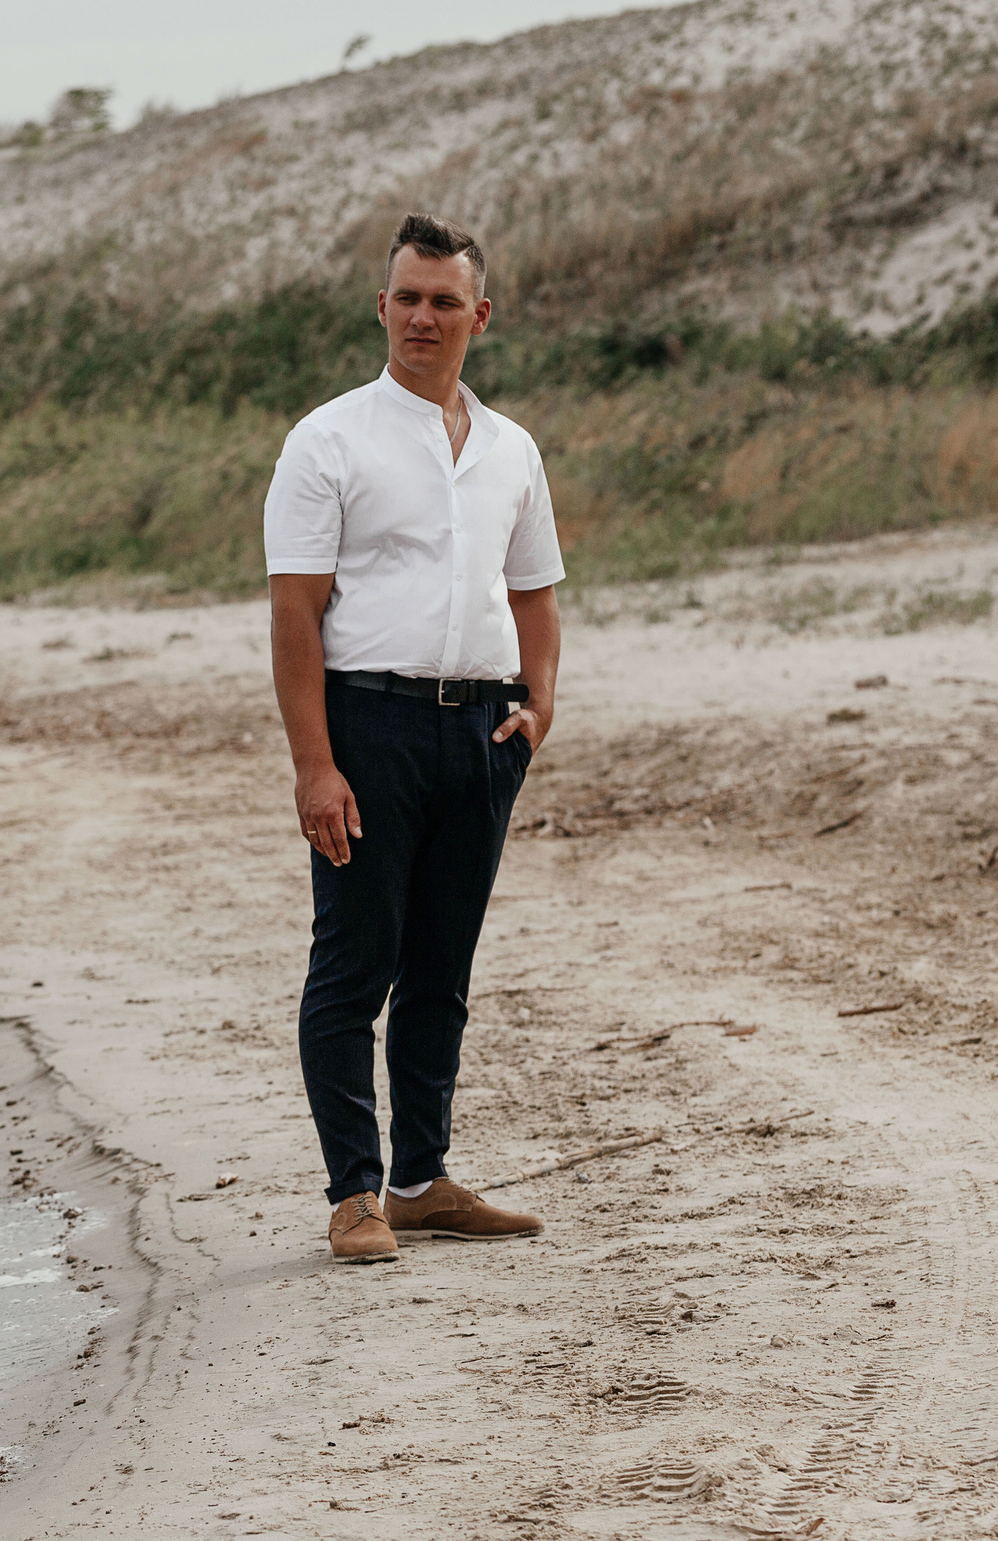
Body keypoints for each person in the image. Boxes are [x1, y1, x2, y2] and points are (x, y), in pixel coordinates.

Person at [264, 213, 559, 1265]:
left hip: (481, 732)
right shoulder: (328, 439)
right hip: (367, 725)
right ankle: (355, 1194)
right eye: (407, 298)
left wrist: (539, 708)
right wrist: (315, 764)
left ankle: (422, 1180)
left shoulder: (512, 449)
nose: (423, 316)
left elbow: (534, 590)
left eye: (444, 301)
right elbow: (294, 612)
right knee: (354, 966)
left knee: (441, 967)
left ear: (481, 315)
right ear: (380, 307)